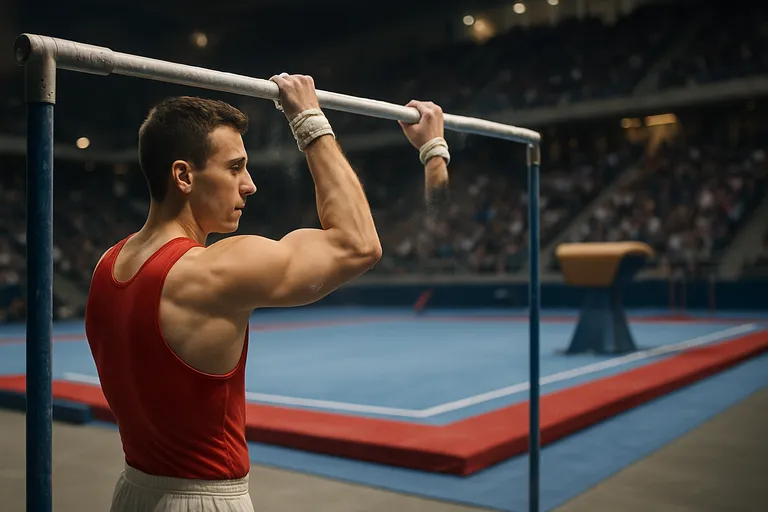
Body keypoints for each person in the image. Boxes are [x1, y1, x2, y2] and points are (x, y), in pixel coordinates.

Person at [84, 73, 450, 511]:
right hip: (202, 501)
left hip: (131, 494)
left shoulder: (107, 264)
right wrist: (309, 119)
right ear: (183, 176)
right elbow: (359, 244)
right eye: (235, 167)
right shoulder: (210, 271)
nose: (249, 184)